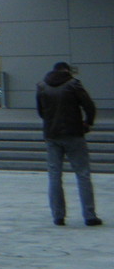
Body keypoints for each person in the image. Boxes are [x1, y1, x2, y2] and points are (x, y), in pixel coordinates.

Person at [36, 61, 101, 227]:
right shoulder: (73, 84)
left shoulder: (42, 86)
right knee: (83, 174)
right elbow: (89, 106)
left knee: (54, 176)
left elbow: (41, 112)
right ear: (67, 71)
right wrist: (88, 123)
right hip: (74, 134)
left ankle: (58, 216)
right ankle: (89, 215)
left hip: (52, 135)